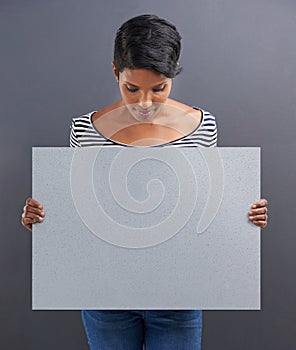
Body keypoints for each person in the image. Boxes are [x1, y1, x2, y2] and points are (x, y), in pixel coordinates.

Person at [21, 14, 268, 350]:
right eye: (131, 88)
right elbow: (80, 209)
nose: (144, 103)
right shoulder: (85, 130)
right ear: (115, 72)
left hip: (178, 296)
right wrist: (41, 221)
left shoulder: (203, 126)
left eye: (159, 88)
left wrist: (245, 217)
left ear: (173, 74)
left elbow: (205, 207)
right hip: (106, 296)